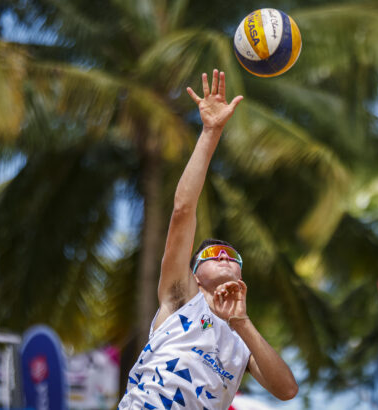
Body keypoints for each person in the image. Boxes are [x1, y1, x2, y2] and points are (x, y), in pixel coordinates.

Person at [118, 69, 298, 410]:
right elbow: (183, 209)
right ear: (195, 273)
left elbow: (287, 390)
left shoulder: (241, 340)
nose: (227, 257)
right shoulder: (182, 297)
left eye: (234, 257)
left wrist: (241, 323)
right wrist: (211, 133)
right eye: (215, 253)